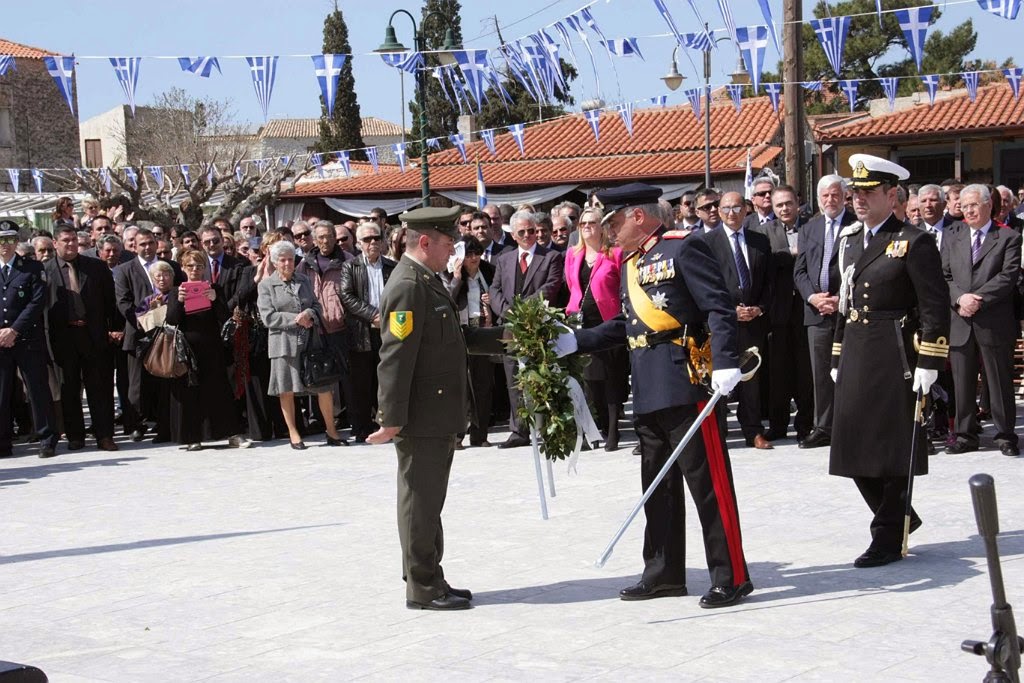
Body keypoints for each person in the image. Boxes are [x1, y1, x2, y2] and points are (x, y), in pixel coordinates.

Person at [562, 183, 752, 608]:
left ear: (637, 216)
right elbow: (627, 327)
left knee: (708, 484)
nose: (607, 230)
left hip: (686, 382)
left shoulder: (684, 248)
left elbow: (718, 307)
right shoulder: (632, 261)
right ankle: (664, 572)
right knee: (657, 486)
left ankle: (731, 575)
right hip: (647, 385)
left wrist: (725, 361)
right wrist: (578, 341)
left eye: (612, 221)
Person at [367, 206, 505, 611]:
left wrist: (507, 336)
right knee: (419, 502)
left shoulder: (425, 279)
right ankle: (423, 588)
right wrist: (390, 418)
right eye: (448, 244)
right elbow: (394, 356)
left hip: (436, 412)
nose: (453, 252)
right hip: (422, 415)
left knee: (428, 503)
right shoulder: (409, 285)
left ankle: (430, 576)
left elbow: (451, 338)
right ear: (425, 242)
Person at [830, 154, 950, 568]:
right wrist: (837, 350)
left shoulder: (913, 241)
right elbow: (846, 302)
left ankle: (886, 535)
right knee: (850, 444)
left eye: (867, 193)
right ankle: (899, 515)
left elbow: (934, 305)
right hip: (859, 348)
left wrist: (930, 359)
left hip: (895, 350)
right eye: (855, 194)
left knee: (894, 446)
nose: (858, 200)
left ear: (891, 194)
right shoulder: (850, 239)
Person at [941, 184, 1021, 456]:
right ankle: (965, 434)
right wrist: (960, 299)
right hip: (960, 319)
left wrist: (978, 299)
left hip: (993, 320)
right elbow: (944, 276)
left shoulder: (1008, 237)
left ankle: (1005, 434)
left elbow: (1008, 276)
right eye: (964, 206)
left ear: (988, 205)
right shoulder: (952, 236)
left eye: (974, 204)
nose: (969, 210)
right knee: (962, 381)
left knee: (998, 380)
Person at [257, 239, 345, 450]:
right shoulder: (266, 285)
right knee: (286, 389)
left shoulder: (303, 280)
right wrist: (295, 319)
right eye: (283, 260)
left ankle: (331, 432)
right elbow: (268, 317)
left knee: (323, 387)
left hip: (310, 342)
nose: (288, 264)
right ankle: (294, 433)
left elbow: (316, 305)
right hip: (283, 344)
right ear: (275, 262)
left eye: (290, 259)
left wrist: (310, 313)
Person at [488, 209, 565, 449]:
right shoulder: (504, 259)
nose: (528, 236)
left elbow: (550, 288)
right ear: (514, 233)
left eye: (532, 231)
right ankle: (519, 430)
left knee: (543, 376)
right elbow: (494, 289)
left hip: (538, 327)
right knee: (513, 379)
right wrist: (507, 313)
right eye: (522, 232)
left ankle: (548, 427)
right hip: (510, 328)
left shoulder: (550, 257)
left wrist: (523, 312)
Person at [704, 192, 773, 449]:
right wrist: (730, 310)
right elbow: (706, 286)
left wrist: (761, 308)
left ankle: (753, 430)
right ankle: (719, 432)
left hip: (753, 320)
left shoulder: (759, 241)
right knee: (720, 376)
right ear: (719, 212)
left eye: (736, 207)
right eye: (726, 208)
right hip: (722, 322)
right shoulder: (707, 242)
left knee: (750, 378)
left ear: (746, 210)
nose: (731, 213)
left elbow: (769, 282)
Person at [164, 250, 250, 451]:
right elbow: (172, 320)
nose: (195, 270)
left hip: (213, 347)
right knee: (191, 393)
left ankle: (232, 434)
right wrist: (179, 301)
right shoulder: (177, 291)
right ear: (183, 268)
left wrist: (214, 299)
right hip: (188, 349)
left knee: (221, 391)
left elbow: (224, 318)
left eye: (200, 266)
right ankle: (194, 437)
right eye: (191, 266)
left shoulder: (214, 288)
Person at [793, 175, 855, 449]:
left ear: (844, 197)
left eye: (835, 195)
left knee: (850, 369)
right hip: (816, 311)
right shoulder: (809, 228)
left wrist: (840, 298)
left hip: (846, 310)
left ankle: (851, 425)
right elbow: (801, 270)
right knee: (820, 373)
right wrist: (813, 297)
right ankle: (824, 426)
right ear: (818, 199)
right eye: (825, 196)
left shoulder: (857, 225)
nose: (830, 200)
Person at [45, 225, 119, 452]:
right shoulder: (44, 270)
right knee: (69, 387)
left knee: (99, 387)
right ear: (55, 243)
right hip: (63, 337)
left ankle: (104, 435)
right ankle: (75, 436)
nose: (71, 244)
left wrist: (114, 328)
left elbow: (110, 301)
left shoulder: (96, 267)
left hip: (93, 334)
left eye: (74, 240)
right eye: (66, 240)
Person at [564, 207, 629, 451]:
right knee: (588, 380)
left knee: (611, 378)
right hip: (580, 322)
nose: (588, 227)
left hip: (608, 322)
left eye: (592, 222)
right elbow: (570, 285)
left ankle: (613, 431)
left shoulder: (615, 253)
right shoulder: (573, 254)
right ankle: (592, 429)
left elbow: (622, 286)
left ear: (602, 226)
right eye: (583, 224)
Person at [113, 228, 184, 441]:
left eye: (150, 243)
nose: (147, 247)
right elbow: (123, 302)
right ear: (133, 246)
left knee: (166, 381)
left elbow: (180, 291)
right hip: (139, 334)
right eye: (142, 244)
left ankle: (165, 422)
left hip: (169, 333)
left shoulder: (172, 267)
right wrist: (145, 318)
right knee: (137, 384)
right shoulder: (124, 270)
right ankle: (137, 424)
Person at [0, 222, 59, 458]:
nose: (5, 246)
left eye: (9, 240)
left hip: (26, 338)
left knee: (37, 390)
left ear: (17, 242)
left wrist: (13, 330)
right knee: (2, 393)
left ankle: (47, 438)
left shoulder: (32, 268)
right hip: (0, 341)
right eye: (1, 241)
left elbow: (36, 302)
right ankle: (3, 442)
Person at [297, 219, 355, 440]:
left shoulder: (348, 261)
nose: (324, 241)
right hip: (316, 328)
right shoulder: (305, 263)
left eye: (328, 236)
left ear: (334, 237)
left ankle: (354, 421)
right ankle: (324, 424)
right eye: (320, 237)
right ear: (315, 238)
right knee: (321, 379)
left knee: (348, 378)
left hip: (341, 326)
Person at [764, 185, 813, 442]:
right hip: (778, 310)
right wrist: (789, 254)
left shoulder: (811, 228)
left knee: (806, 369)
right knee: (778, 370)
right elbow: (767, 262)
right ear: (773, 208)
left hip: (806, 308)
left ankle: (806, 424)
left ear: (798, 203)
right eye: (779, 205)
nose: (784, 208)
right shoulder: (764, 231)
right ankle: (778, 424)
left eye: (788, 203)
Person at [339, 220, 395, 443]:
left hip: (390, 331)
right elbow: (347, 296)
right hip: (362, 331)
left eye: (376, 238)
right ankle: (362, 428)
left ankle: (388, 425)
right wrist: (373, 314)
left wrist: (387, 317)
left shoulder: (391, 266)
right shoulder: (350, 266)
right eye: (367, 239)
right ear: (359, 243)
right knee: (361, 382)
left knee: (387, 381)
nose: (373, 242)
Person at [443, 235, 496, 448]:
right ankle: (457, 435)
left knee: (482, 384)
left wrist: (491, 301)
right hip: (460, 331)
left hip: (483, 329)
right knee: (460, 386)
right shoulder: (450, 273)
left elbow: (500, 294)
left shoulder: (489, 271)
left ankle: (480, 434)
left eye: (477, 253)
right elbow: (448, 300)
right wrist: (456, 278)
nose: (473, 258)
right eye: (469, 254)